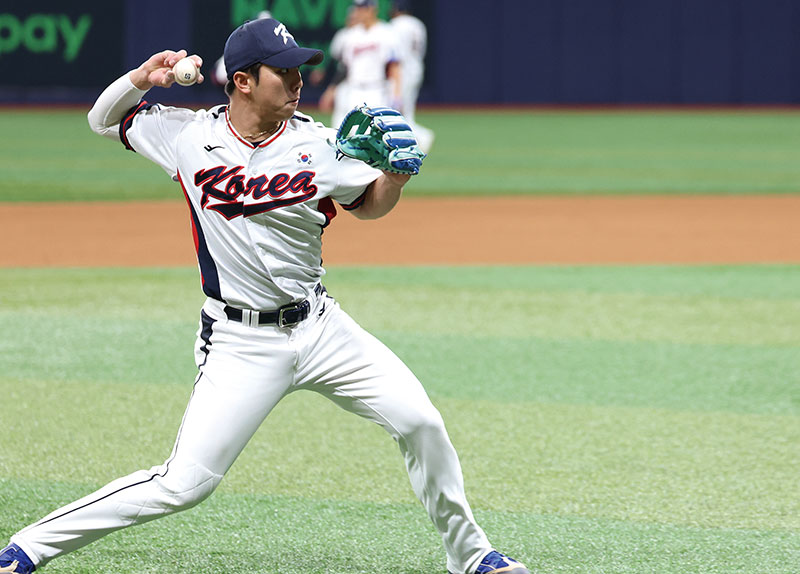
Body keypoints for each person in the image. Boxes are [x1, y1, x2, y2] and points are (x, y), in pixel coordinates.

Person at [0, 17, 529, 574]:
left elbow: (367, 204)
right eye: (284, 71)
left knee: (420, 422)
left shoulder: (323, 145)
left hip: (322, 329)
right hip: (238, 342)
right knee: (184, 484)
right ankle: (27, 548)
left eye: (301, 70)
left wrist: (394, 180)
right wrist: (142, 78)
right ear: (244, 81)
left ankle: (472, 558)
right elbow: (101, 119)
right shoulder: (186, 134)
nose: (298, 81)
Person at [319, 0, 402, 129]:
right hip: (353, 89)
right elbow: (344, 67)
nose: (359, 12)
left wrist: (396, 94)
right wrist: (331, 90)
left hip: (377, 90)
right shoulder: (351, 35)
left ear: (372, 9)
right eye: (357, 8)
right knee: (346, 131)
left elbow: (394, 66)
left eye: (363, 8)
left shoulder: (386, 33)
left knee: (376, 132)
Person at [389, 0, 434, 152]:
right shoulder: (418, 24)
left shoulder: (395, 25)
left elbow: (395, 54)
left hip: (403, 71)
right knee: (405, 111)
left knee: (398, 111)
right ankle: (412, 141)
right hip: (417, 68)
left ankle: (421, 136)